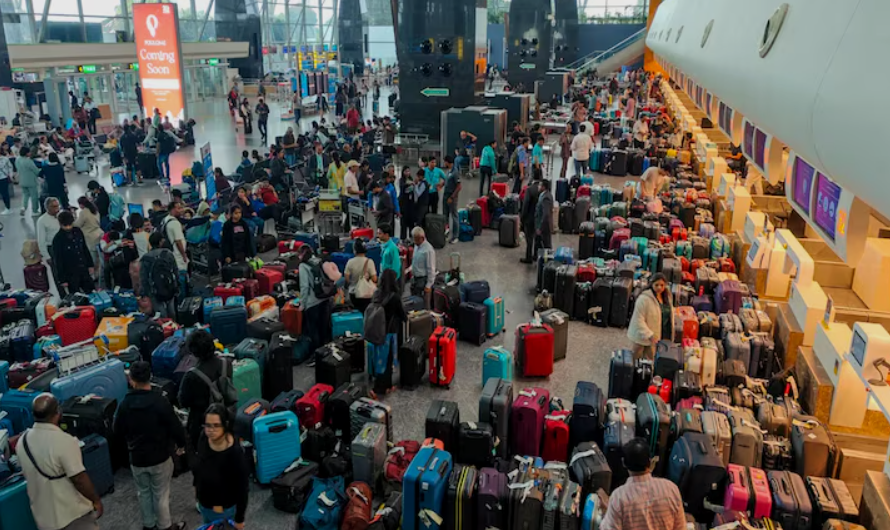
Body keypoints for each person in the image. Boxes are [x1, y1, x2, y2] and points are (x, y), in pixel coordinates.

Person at [113, 361, 188, 530]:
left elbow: (116, 430)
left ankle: (148, 525)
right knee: (161, 493)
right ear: (150, 377)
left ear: (131, 380)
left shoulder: (125, 404)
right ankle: (165, 526)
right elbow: (175, 426)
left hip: (137, 458)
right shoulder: (160, 401)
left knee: (143, 493)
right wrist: (181, 445)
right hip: (160, 456)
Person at [16, 393, 103, 530]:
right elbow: (79, 479)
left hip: (44, 517)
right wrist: (96, 500)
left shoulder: (22, 441)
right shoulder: (64, 441)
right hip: (71, 515)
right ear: (58, 412)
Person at [600, 437, 686, 530]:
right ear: (650, 461)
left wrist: (606, 513)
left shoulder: (618, 498)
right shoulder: (671, 489)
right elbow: (680, 527)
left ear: (624, 463)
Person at [193, 404, 249, 529]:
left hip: (222, 511)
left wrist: (239, 519)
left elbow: (242, 489)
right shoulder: (204, 437)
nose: (211, 430)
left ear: (225, 425)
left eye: (216, 425)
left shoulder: (235, 453)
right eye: (208, 425)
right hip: (204, 505)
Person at [368, 269, 406, 399]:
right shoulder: (394, 297)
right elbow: (402, 315)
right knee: (387, 360)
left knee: (379, 359)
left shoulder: (376, 294)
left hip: (376, 331)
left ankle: (386, 386)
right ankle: (378, 389)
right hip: (389, 332)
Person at [627, 273, 674, 360]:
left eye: (662, 285)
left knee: (650, 361)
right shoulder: (643, 299)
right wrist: (649, 335)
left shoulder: (667, 297)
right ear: (651, 284)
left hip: (658, 336)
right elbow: (638, 320)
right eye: (656, 285)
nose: (659, 287)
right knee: (635, 359)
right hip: (642, 336)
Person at [298, 245, 333, 354]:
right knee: (323, 327)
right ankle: (325, 352)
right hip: (325, 298)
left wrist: (302, 304)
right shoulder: (319, 260)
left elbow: (304, 287)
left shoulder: (303, 266)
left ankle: (316, 354)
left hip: (312, 302)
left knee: (313, 330)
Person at [52, 210, 95, 296]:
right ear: (60, 224)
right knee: (76, 297)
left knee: (92, 293)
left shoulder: (78, 231)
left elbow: (84, 248)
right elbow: (58, 260)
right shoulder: (57, 239)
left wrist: (90, 265)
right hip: (70, 274)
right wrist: (62, 279)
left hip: (83, 269)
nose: (68, 227)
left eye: (70, 224)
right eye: (65, 225)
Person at [141, 232, 178, 317]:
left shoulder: (146, 258)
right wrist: (176, 286)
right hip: (169, 287)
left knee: (160, 314)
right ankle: (173, 323)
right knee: (172, 312)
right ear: (160, 242)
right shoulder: (168, 253)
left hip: (154, 290)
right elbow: (175, 271)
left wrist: (145, 293)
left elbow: (144, 278)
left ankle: (163, 323)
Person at [161, 201, 189, 294]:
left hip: (170, 254)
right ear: (172, 209)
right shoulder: (174, 223)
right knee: (181, 279)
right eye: (178, 208)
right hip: (178, 255)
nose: (181, 210)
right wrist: (184, 255)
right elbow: (178, 241)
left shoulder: (165, 220)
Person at [344, 238, 378, 314]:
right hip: (367, 294)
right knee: (367, 313)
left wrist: (353, 282)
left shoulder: (350, 262)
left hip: (353, 293)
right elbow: (374, 279)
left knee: (356, 313)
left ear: (355, 250)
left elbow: (347, 278)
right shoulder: (369, 262)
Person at [73, 196, 104, 277]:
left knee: (92, 257)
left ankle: (94, 276)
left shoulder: (83, 212)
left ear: (81, 204)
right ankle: (101, 274)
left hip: (90, 237)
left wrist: (73, 217)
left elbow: (77, 225)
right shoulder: (95, 210)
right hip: (99, 234)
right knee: (100, 256)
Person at [407, 226, 436, 308]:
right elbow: (415, 261)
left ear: (422, 238)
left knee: (424, 304)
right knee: (414, 303)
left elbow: (431, 269)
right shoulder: (417, 245)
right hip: (415, 279)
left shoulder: (428, 250)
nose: (414, 241)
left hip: (423, 281)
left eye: (416, 239)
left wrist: (428, 285)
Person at [37, 198, 62, 292]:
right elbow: (41, 240)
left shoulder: (61, 216)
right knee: (57, 274)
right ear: (47, 207)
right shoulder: (42, 221)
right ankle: (63, 295)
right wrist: (47, 256)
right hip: (53, 249)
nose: (57, 209)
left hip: (64, 246)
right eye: (54, 206)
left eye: (58, 206)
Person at [520, 176, 542, 264]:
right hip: (539, 218)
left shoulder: (529, 189)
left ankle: (528, 257)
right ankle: (536, 255)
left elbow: (525, 205)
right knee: (537, 237)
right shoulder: (542, 190)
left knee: (529, 238)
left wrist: (522, 217)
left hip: (530, 217)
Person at [441, 155, 462, 244]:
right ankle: (446, 232)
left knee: (454, 215)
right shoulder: (448, 171)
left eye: (444, 162)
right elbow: (447, 180)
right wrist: (442, 184)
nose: (444, 163)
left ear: (447, 162)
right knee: (445, 215)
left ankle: (455, 236)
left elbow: (459, 187)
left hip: (452, 197)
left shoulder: (455, 171)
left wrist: (452, 197)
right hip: (446, 195)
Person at [16, 145, 41, 216]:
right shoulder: (28, 161)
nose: (30, 153)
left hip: (22, 180)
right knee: (34, 196)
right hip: (31, 181)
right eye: (29, 152)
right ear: (26, 153)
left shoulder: (18, 159)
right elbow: (36, 170)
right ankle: (35, 211)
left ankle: (23, 207)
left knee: (25, 195)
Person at [534, 179, 554, 254]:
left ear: (544, 187)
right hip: (540, 225)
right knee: (538, 244)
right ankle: (537, 257)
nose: (538, 186)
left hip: (544, 227)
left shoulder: (546, 198)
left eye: (540, 185)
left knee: (546, 246)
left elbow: (546, 214)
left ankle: (547, 260)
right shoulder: (542, 195)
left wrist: (540, 228)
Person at [398, 166, 415, 241]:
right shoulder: (401, 180)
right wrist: (408, 184)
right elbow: (402, 187)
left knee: (411, 220)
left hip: (410, 203)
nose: (407, 173)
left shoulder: (411, 179)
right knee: (403, 222)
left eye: (408, 171)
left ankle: (411, 237)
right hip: (403, 203)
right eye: (406, 171)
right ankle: (403, 238)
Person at [0, 148, 12, 214]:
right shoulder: (5, 159)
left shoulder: (5, 159)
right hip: (4, 177)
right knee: (4, 193)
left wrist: (10, 175)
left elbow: (10, 167)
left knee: (4, 193)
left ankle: (8, 207)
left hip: (3, 178)